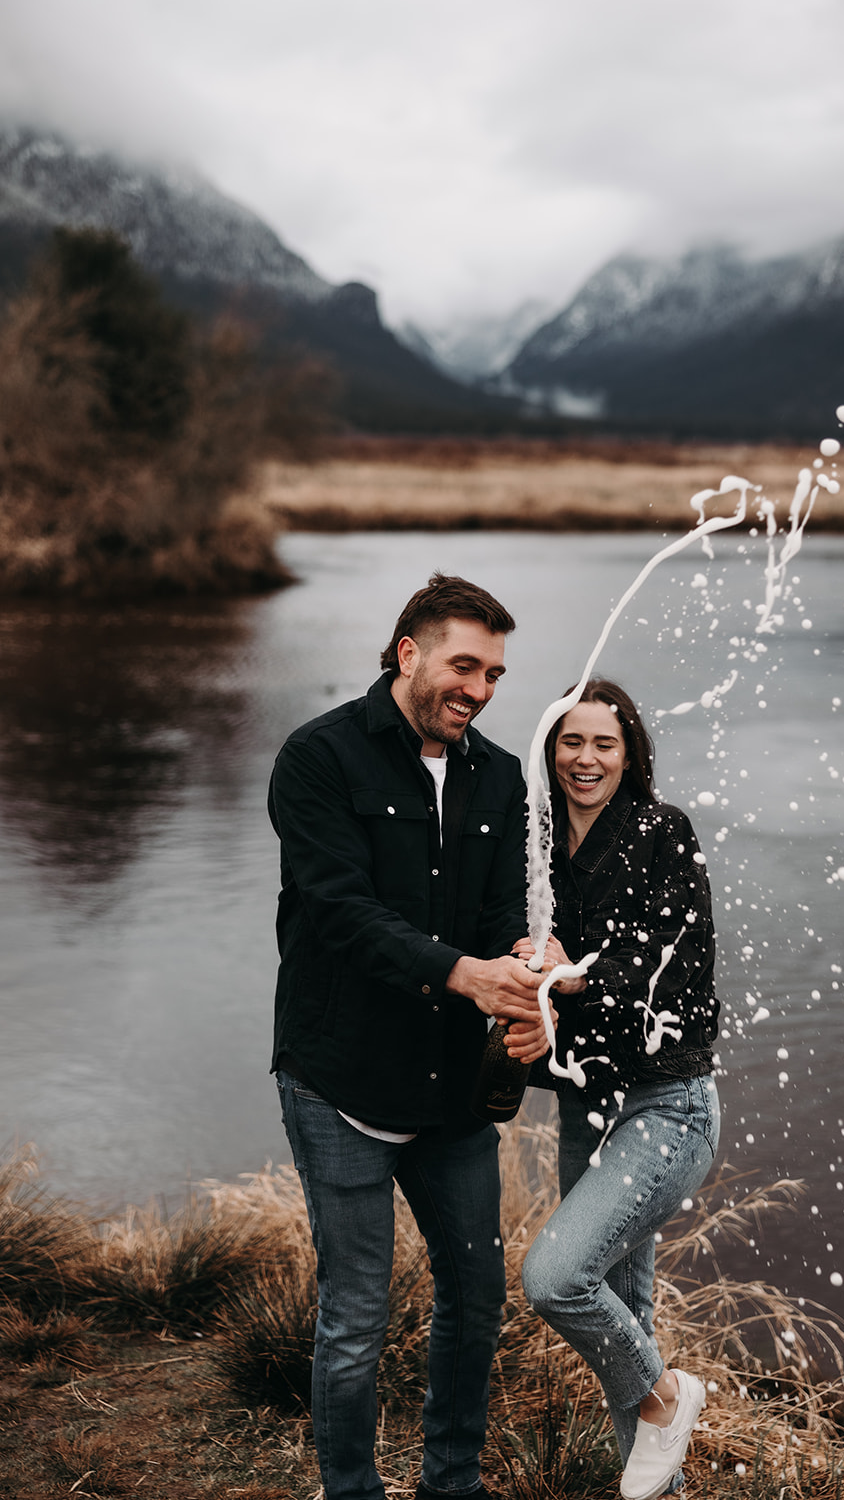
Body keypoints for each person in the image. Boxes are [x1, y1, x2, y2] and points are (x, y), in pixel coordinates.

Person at [268, 572, 546, 1500]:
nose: (479, 688)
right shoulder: (318, 758)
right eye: (465, 665)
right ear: (408, 654)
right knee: (354, 1315)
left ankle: (450, 1483)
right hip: (338, 1078)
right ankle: (350, 1490)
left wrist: (520, 965)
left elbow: (505, 908)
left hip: (449, 1094)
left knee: (475, 1302)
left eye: (496, 674)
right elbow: (340, 912)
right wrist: (465, 975)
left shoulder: (502, 776)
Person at [515, 677, 720, 1500]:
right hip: (584, 1100)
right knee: (617, 1309)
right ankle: (653, 1486)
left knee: (555, 1280)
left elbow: (660, 966)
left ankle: (669, 1398)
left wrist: (564, 979)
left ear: (629, 751)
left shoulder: (662, 831)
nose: (585, 759)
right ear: (549, 749)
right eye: (570, 741)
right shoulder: (533, 840)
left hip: (665, 1104)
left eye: (603, 742)